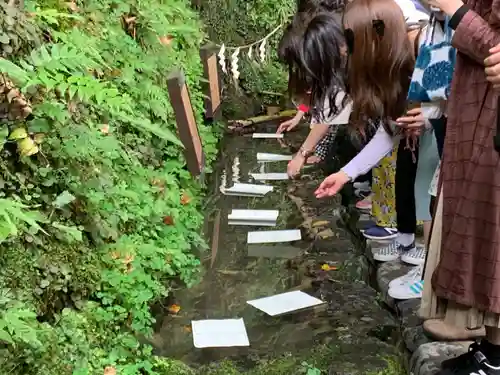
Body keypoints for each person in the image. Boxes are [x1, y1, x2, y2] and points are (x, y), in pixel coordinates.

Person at [411, 0, 500, 372]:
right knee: (480, 237)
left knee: (490, 237)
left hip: (490, 124)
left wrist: (453, 8)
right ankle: (490, 348)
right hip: (473, 118)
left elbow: (490, 44)